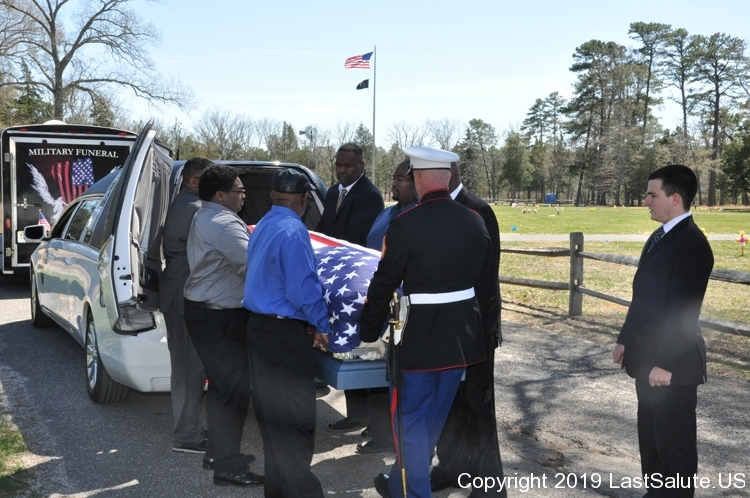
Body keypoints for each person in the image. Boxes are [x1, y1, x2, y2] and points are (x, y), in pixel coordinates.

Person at [360, 146, 491, 498]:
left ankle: (413, 493)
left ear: (417, 179)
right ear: (447, 178)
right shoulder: (474, 220)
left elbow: (383, 283)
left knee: (408, 424)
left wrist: (368, 330)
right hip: (461, 340)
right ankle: (399, 484)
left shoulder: (406, 224)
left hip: (418, 341)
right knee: (432, 420)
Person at [613, 164, 713, 498]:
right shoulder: (660, 236)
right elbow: (644, 297)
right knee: (653, 443)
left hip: (671, 368)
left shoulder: (691, 244)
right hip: (647, 361)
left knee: (675, 449)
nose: (646, 201)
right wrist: (625, 339)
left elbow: (684, 311)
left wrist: (666, 363)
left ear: (675, 198)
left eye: (652, 195)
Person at [244, 168, 331, 498]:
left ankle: (278, 491)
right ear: (304, 199)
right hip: (283, 335)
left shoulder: (264, 224)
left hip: (259, 329)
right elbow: (303, 289)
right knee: (296, 422)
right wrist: (322, 325)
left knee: (272, 420)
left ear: (273, 196)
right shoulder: (294, 231)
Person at [183, 165, 263, 488]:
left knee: (220, 388)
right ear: (220, 195)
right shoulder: (225, 224)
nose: (243, 196)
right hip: (220, 317)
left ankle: (217, 453)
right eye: (239, 191)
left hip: (205, 312)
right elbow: (253, 267)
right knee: (232, 391)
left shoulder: (205, 214)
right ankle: (228, 468)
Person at [430, 162, 506, 496]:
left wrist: (480, 330)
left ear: (447, 175)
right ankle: (452, 468)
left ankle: (489, 483)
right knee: (449, 404)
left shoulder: (478, 210)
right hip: (445, 327)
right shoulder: (437, 208)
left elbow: (485, 277)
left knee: (477, 405)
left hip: (474, 327)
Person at [316, 143, 384, 431]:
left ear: (362, 165)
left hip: (355, 282)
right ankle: (357, 413)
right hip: (336, 279)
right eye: (338, 165)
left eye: (348, 165)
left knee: (363, 351)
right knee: (347, 347)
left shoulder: (369, 196)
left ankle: (369, 417)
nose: (342, 170)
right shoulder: (334, 191)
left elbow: (355, 239)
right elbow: (324, 229)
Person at [358, 159, 417, 455]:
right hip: (378, 300)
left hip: (404, 309)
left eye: (401, 179)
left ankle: (390, 435)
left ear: (417, 182)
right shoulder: (386, 214)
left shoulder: (419, 219)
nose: (394, 183)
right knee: (374, 367)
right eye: (393, 178)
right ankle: (379, 427)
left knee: (394, 373)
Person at [160, 157, 213, 462]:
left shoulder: (184, 202)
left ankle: (191, 428)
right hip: (183, 291)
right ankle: (185, 436)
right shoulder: (194, 209)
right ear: (194, 181)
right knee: (188, 369)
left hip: (179, 287)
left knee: (190, 367)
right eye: (210, 181)